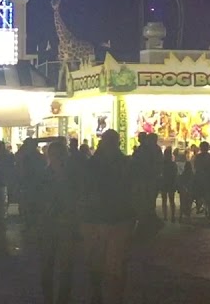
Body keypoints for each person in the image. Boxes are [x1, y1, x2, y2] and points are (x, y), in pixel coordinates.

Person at [80, 130, 133, 304]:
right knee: (114, 264)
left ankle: (100, 294)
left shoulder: (93, 163)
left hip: (100, 218)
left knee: (99, 261)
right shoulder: (124, 163)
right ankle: (111, 295)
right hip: (115, 219)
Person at [34, 139, 79, 304]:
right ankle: (51, 298)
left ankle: (61, 299)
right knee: (49, 265)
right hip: (51, 224)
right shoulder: (46, 176)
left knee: (63, 266)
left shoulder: (69, 175)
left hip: (63, 224)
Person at [159, 147, 178, 223]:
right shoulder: (173, 164)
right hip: (171, 182)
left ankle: (165, 216)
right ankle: (172, 216)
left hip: (164, 182)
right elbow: (175, 174)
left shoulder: (162, 164)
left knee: (164, 200)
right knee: (171, 200)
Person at [177, 152, 194, 222]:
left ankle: (181, 215)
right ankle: (188, 214)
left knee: (182, 202)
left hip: (183, 190)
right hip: (190, 190)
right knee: (189, 202)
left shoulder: (182, 175)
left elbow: (180, 181)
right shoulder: (192, 175)